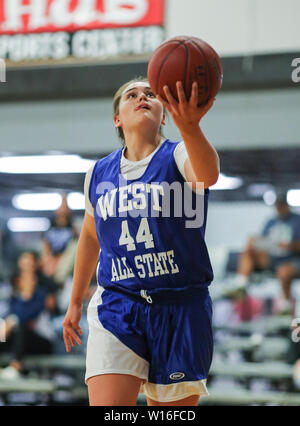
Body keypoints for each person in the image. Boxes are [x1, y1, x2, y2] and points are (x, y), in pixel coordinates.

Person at [63, 77, 219, 406]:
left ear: (164, 114)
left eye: (150, 94)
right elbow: (91, 236)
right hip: (118, 304)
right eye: (131, 95)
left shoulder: (178, 155)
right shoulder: (98, 172)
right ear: (117, 118)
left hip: (180, 306)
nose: (141, 97)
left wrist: (190, 127)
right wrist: (75, 300)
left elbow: (207, 175)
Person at [234, 192, 300, 314]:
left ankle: (285, 305)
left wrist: (287, 245)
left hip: (292, 259)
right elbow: (263, 239)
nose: (278, 209)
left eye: (280, 205)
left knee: (284, 271)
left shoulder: (297, 220)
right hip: (272, 257)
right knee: (251, 243)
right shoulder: (271, 221)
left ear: (286, 205)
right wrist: (263, 244)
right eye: (276, 206)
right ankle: (241, 283)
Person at [0, 251, 57, 378]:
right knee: (3, 332)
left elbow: (27, 315)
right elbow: (11, 314)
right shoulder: (14, 296)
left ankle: (15, 367)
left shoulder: (41, 293)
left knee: (21, 329)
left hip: (42, 340)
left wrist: (11, 322)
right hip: (21, 340)